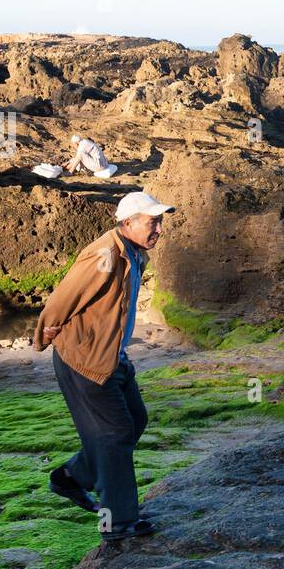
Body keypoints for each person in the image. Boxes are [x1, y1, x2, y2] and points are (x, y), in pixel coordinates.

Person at [32, 191, 176, 542]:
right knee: (114, 435)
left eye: (160, 221)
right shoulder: (106, 254)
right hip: (85, 359)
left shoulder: (133, 253)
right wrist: (44, 333)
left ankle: (71, 478)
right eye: (151, 221)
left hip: (112, 356)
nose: (158, 227)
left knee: (135, 420)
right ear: (128, 223)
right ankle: (118, 523)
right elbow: (64, 296)